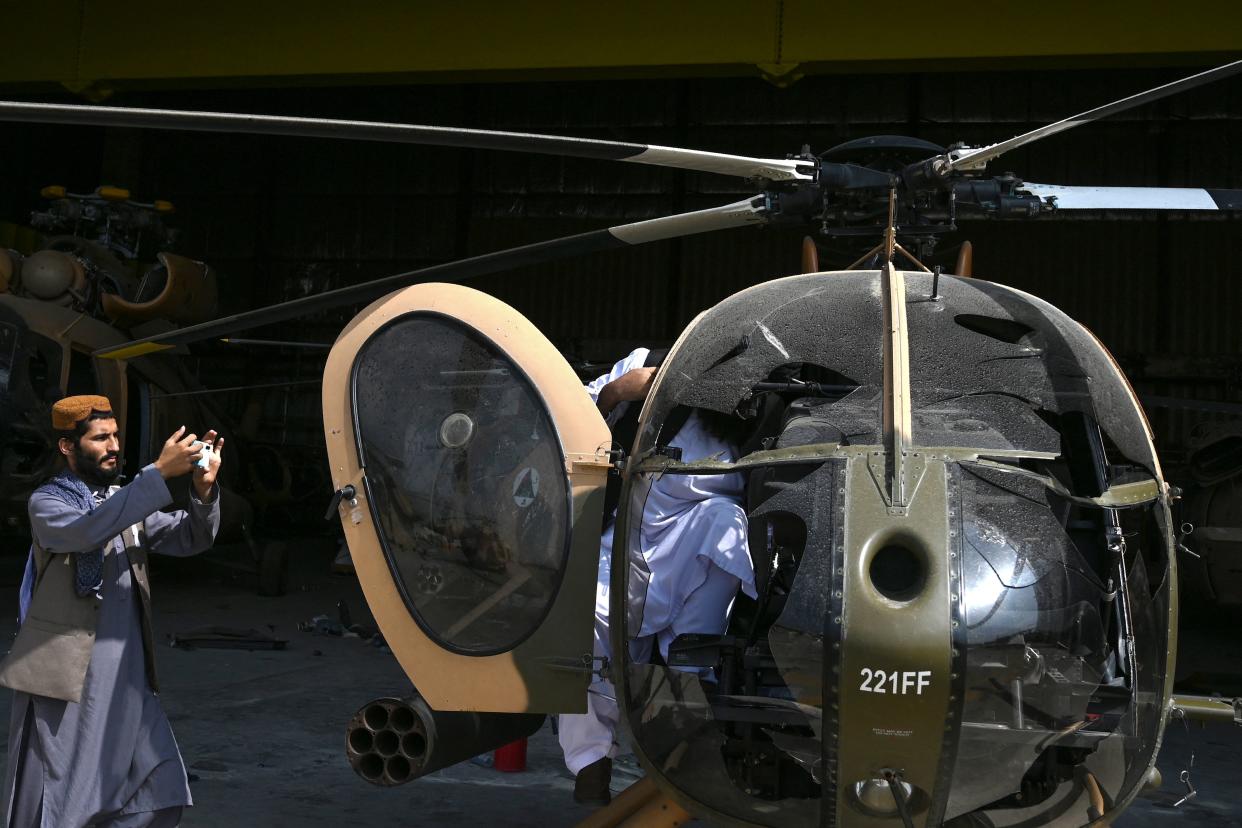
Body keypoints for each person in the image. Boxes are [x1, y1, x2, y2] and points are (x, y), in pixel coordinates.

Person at [0, 395, 224, 828]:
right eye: (101, 437)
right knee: (66, 798)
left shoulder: (124, 502)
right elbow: (86, 532)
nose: (113, 445)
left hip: (128, 676)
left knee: (160, 791)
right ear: (68, 447)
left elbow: (189, 537)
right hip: (70, 680)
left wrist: (202, 491)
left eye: (116, 435)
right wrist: (157, 474)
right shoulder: (48, 504)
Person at [559, 349, 755, 804]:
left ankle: (683, 729)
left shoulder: (744, 379)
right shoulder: (638, 363)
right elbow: (564, 420)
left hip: (689, 541)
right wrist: (615, 394)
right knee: (583, 624)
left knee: (725, 532)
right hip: (620, 542)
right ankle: (591, 762)